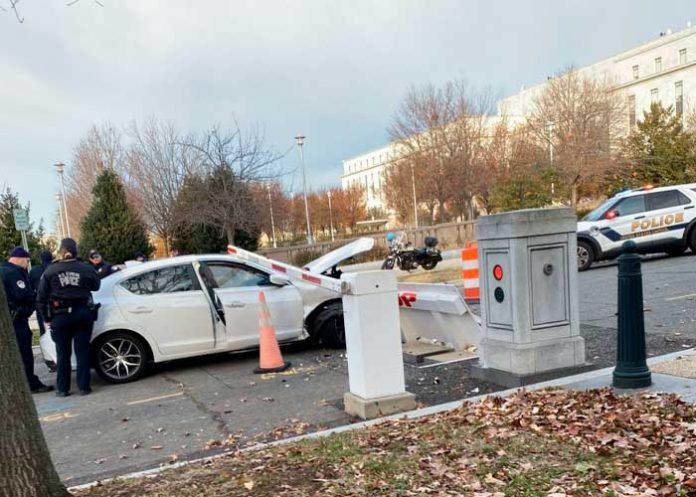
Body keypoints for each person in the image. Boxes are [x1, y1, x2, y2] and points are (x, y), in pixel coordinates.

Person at [37, 238, 100, 397]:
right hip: (83, 312)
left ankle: (63, 389)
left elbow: (41, 297)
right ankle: (84, 387)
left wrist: (46, 318)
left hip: (60, 315)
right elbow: (96, 286)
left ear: (61, 251)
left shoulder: (50, 270)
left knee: (62, 353)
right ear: (76, 251)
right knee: (82, 350)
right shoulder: (85, 268)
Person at [0, 247, 53, 393]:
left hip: (8, 322)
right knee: (25, 355)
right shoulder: (13, 273)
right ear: (20, 258)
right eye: (27, 261)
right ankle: (31, 383)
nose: (27, 265)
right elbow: (23, 295)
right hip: (18, 321)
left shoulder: (2, 269)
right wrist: (33, 302)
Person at [29, 250, 54, 336]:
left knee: (43, 329)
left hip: (41, 303)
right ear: (52, 258)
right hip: (56, 302)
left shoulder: (34, 271)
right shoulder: (56, 268)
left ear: (40, 259)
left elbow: (30, 288)